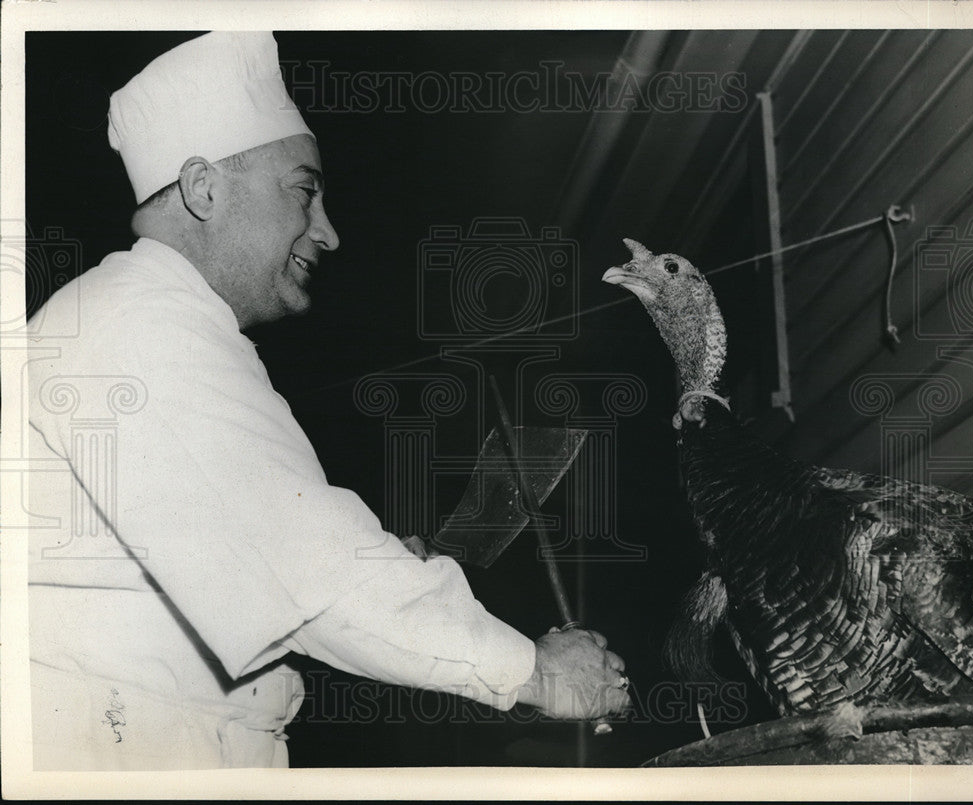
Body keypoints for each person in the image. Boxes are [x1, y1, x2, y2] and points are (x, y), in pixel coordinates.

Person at [26, 31, 629, 770]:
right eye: (304, 191)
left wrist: (375, 572)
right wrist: (537, 670)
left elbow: (273, 572)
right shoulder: (141, 324)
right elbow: (314, 577)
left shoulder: (153, 321)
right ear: (204, 187)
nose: (329, 232)